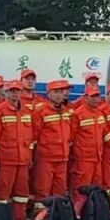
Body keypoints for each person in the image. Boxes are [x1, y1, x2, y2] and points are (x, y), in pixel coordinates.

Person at [0, 80, 35, 220]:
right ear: (7, 92)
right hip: (6, 161)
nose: (15, 93)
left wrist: (29, 157)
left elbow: (30, 138)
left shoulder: (27, 111)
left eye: (18, 91)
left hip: (22, 160)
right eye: (12, 91)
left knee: (22, 194)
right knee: (2, 194)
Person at [32, 79, 72, 208]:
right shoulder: (41, 111)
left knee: (60, 190)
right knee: (42, 189)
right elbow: (34, 135)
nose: (59, 95)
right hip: (46, 158)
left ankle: (57, 215)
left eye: (61, 92)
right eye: (56, 92)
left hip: (62, 158)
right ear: (48, 94)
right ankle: (41, 216)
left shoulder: (65, 111)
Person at [69, 85, 106, 193]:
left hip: (97, 158)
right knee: (81, 190)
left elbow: (104, 133)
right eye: (92, 96)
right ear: (85, 97)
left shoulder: (99, 113)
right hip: (83, 159)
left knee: (96, 190)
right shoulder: (78, 114)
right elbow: (71, 137)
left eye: (97, 96)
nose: (95, 99)